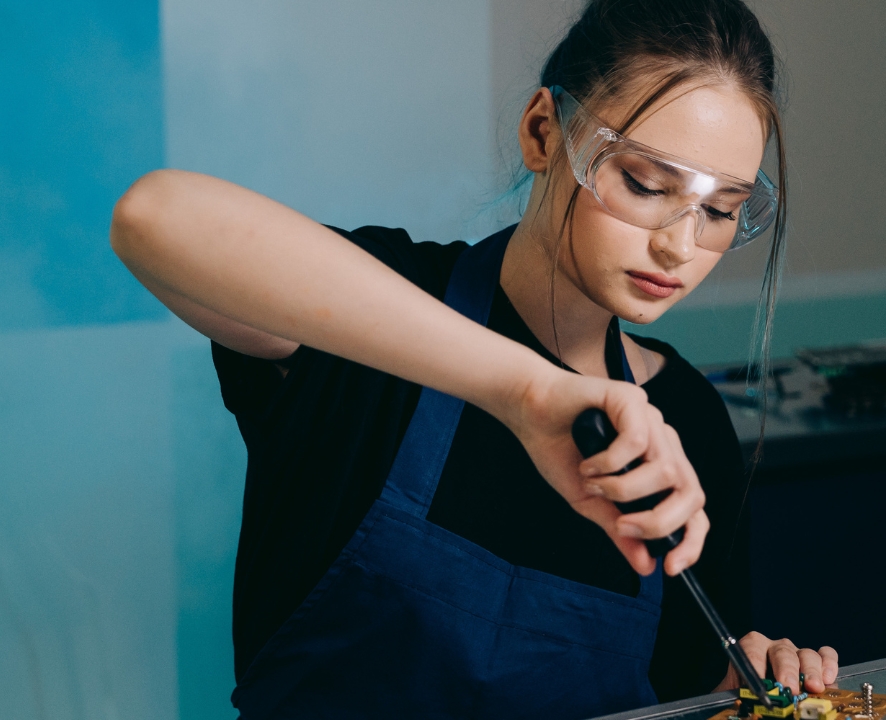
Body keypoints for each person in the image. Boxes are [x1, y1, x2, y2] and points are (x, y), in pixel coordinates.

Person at [111, 0, 836, 717]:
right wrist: (525, 390)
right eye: (646, 184)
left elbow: (685, 681)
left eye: (720, 209)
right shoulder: (371, 311)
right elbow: (154, 218)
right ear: (543, 132)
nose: (680, 246)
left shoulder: (684, 416)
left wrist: (754, 680)